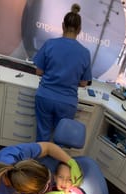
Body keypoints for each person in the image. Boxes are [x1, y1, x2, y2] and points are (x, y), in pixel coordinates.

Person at [33, 3, 92, 141]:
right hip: (67, 103)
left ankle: (37, 162)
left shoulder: (50, 44)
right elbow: (83, 83)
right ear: (79, 29)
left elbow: (39, 71)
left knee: (42, 136)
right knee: (60, 139)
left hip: (45, 97)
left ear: (63, 26)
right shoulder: (85, 53)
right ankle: (55, 162)